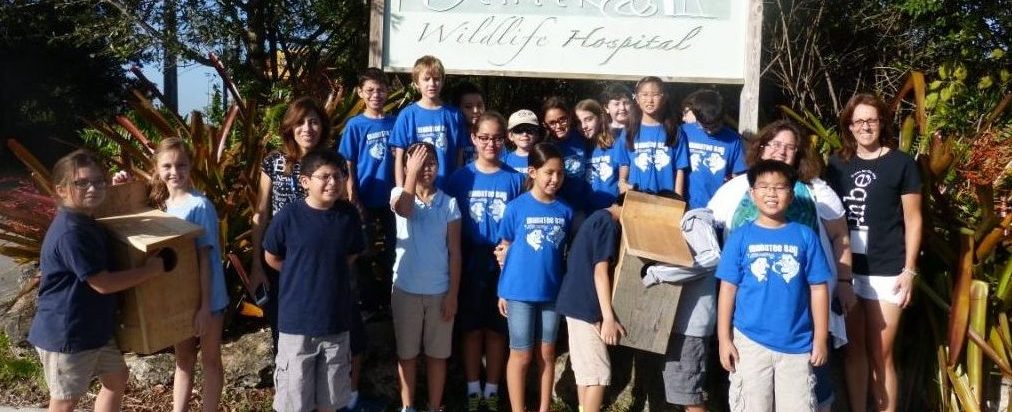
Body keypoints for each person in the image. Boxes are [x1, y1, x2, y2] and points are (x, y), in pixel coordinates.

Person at [707, 120, 856, 411]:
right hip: (752, 319)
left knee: (809, 394)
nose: (780, 151)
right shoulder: (739, 187)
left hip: (804, 321)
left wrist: (844, 282)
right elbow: (707, 229)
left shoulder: (815, 191)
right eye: (774, 144)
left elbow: (840, 236)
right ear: (761, 148)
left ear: (799, 154)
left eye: (789, 147)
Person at [29, 150, 165, 412]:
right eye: (82, 183)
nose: (93, 188)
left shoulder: (84, 218)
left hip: (93, 330)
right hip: (67, 335)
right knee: (65, 400)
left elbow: (106, 206)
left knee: (116, 379)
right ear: (62, 189)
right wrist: (151, 271)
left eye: (98, 181)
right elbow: (102, 283)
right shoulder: (71, 232)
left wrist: (117, 188)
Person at [826, 93, 922, 412]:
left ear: (882, 123)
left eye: (872, 120)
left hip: (888, 271)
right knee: (854, 351)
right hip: (848, 272)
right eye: (859, 121)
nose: (866, 127)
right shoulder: (837, 163)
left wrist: (909, 270)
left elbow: (913, 218)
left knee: (882, 353)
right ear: (849, 126)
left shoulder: (901, 163)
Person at [716, 160, 832, 412]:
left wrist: (821, 338)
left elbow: (819, 289)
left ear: (792, 194)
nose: (771, 193)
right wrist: (724, 338)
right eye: (764, 186)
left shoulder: (805, 236)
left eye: (780, 187)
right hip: (749, 342)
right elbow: (727, 289)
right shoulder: (740, 237)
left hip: (798, 344)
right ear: (752, 193)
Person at [262, 151, 365, 412]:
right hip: (297, 325)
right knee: (295, 400)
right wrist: (300, 271)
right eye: (325, 176)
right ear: (305, 181)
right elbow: (271, 255)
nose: (333, 182)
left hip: (335, 323)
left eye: (339, 176)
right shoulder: (289, 216)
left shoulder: (348, 215)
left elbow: (352, 252)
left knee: (331, 399)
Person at [446, 112, 526, 412]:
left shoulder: (515, 179)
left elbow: (521, 222)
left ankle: (492, 390)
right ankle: (472, 388)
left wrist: (511, 250)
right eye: (484, 137)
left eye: (496, 137)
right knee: (471, 328)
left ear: (505, 138)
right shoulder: (460, 178)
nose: (490, 143)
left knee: (496, 328)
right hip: (469, 258)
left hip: (503, 259)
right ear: (473, 139)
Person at [143, 138, 227, 412]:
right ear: (157, 168)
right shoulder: (161, 205)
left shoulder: (200, 206)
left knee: (210, 360)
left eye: (181, 165)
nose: (174, 172)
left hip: (208, 298)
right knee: (183, 358)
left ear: (191, 166)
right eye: (167, 166)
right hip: (180, 299)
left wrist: (204, 307)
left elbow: (206, 259)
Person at [495, 142, 573, 412]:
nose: (555, 179)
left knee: (547, 354)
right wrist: (502, 291)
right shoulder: (515, 208)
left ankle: (544, 408)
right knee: (522, 354)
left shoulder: (566, 210)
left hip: (552, 293)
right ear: (533, 172)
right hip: (518, 292)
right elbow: (504, 249)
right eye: (549, 172)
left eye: (560, 173)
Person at [251, 96, 329, 353]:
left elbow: (338, 214)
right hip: (279, 258)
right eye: (301, 123)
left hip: (318, 259)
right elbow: (261, 213)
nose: (307, 128)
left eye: (314, 122)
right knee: (283, 329)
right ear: (290, 128)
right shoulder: (274, 162)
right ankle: (284, 388)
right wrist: (255, 265)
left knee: (318, 331)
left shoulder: (331, 165)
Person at [337, 69, 396, 409]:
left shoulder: (395, 121)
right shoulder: (356, 125)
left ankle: (388, 300)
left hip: (391, 200)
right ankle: (368, 302)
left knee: (391, 253)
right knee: (362, 252)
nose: (376, 94)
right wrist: (353, 197)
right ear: (361, 92)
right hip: (364, 198)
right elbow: (348, 162)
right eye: (370, 89)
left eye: (381, 88)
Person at [389, 142, 462, 412]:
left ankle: (434, 405)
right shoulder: (399, 193)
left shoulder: (449, 203)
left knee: (437, 354)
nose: (425, 168)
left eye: (430, 163)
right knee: (406, 353)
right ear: (407, 166)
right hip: (406, 289)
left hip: (439, 290)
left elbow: (455, 253)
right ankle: (408, 407)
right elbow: (405, 209)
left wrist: (452, 295)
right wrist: (412, 174)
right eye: (419, 162)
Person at [554, 193, 626, 412]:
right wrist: (608, 318)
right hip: (586, 307)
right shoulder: (608, 224)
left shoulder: (597, 217)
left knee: (586, 373)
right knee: (599, 374)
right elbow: (600, 272)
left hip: (574, 303)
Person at [391, 55, 470, 189]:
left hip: (446, 191)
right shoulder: (407, 115)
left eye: (436, 79)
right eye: (426, 79)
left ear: (442, 82)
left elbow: (459, 156)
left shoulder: (454, 114)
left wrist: (457, 186)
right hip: (415, 190)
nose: (432, 84)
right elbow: (399, 158)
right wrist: (400, 190)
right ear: (416, 83)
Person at [618, 76, 689, 196]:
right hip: (636, 199)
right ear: (637, 98)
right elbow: (624, 164)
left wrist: (678, 200)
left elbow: (680, 169)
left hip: (666, 201)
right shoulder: (628, 131)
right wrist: (622, 183)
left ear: (664, 97)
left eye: (655, 94)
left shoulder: (675, 131)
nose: (649, 100)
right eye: (644, 94)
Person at [679, 89, 747, 210]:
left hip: (716, 207)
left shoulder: (733, 140)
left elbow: (739, 178)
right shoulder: (683, 132)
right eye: (705, 126)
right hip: (684, 206)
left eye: (715, 126)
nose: (710, 130)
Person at [575, 99, 629, 210]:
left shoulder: (617, 143)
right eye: (579, 122)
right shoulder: (579, 148)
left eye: (588, 119)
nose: (583, 126)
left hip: (614, 210)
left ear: (600, 118)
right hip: (587, 213)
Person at [542, 97, 591, 215]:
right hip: (556, 208)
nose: (558, 126)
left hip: (583, 207)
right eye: (552, 123)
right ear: (545, 125)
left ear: (569, 117)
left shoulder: (584, 137)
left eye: (562, 119)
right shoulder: (544, 147)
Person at [454, 81, 486, 163]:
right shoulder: (452, 136)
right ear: (458, 109)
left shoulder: (493, 136)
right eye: (468, 107)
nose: (475, 111)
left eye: (479, 105)